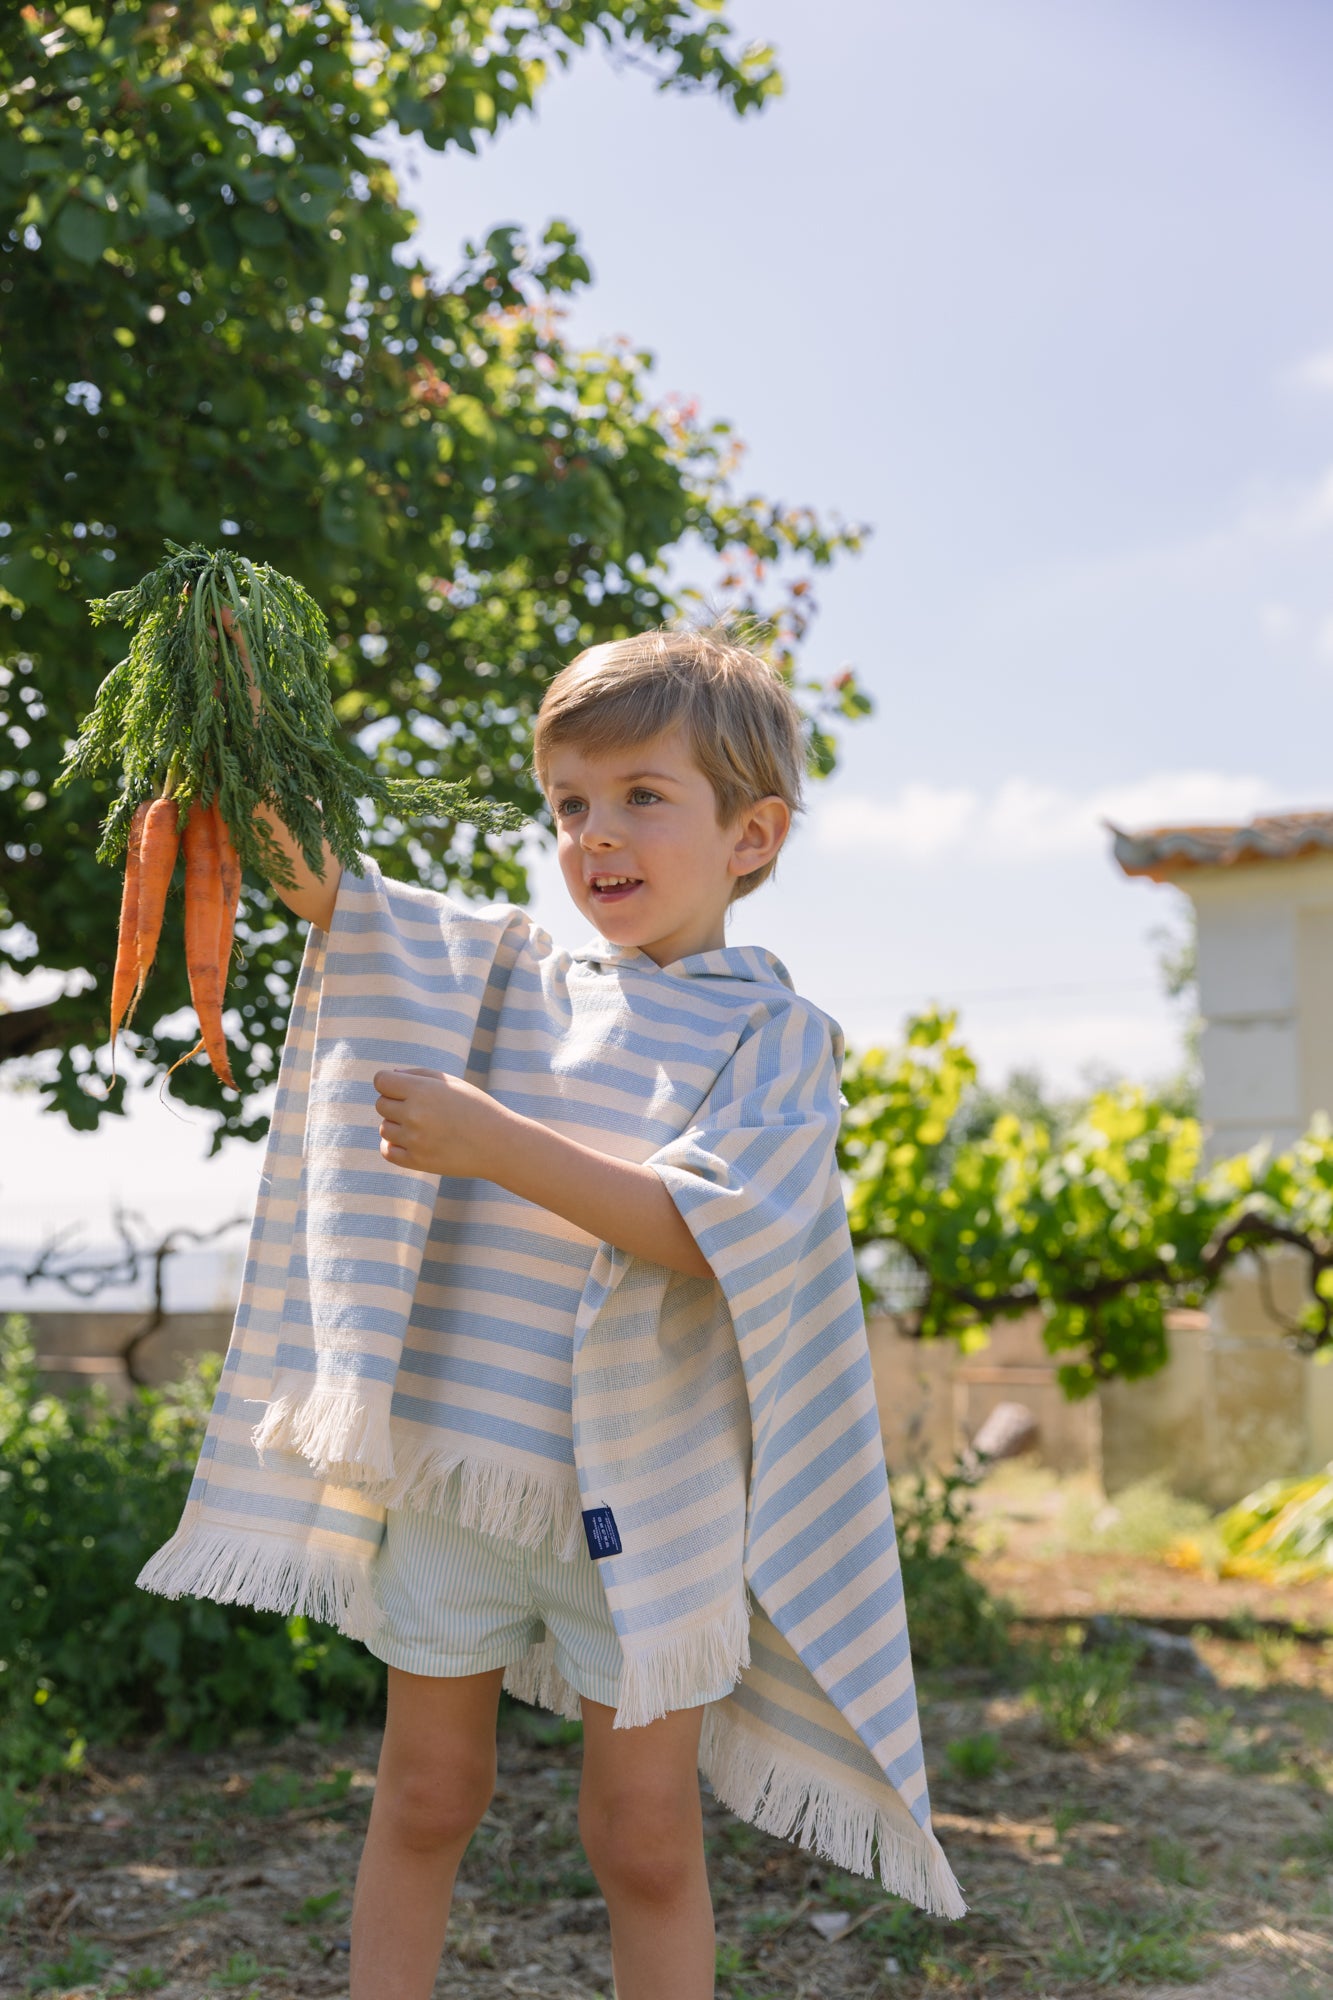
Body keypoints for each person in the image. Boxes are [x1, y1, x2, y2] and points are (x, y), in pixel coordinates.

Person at [140, 620, 963, 2000]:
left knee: (639, 1836)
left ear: (750, 836)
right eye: (570, 802)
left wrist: (492, 1140)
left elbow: (702, 1237)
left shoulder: (776, 1039)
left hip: (651, 1514)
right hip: (464, 1486)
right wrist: (235, 726)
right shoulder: (505, 971)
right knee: (421, 1796)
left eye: (643, 795)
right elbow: (332, 894)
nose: (597, 834)